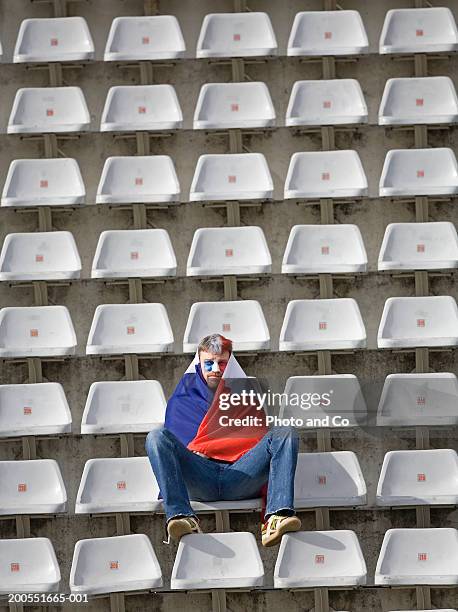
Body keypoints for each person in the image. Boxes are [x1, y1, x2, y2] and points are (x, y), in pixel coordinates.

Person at [145, 333, 301, 546]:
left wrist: (219, 448)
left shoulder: (245, 398)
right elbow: (177, 449)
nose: (215, 369)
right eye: (208, 363)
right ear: (199, 365)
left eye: (222, 363)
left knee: (284, 432)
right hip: (199, 477)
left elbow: (256, 442)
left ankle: (277, 515)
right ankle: (181, 517)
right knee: (156, 436)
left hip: (241, 475)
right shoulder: (181, 402)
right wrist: (194, 453)